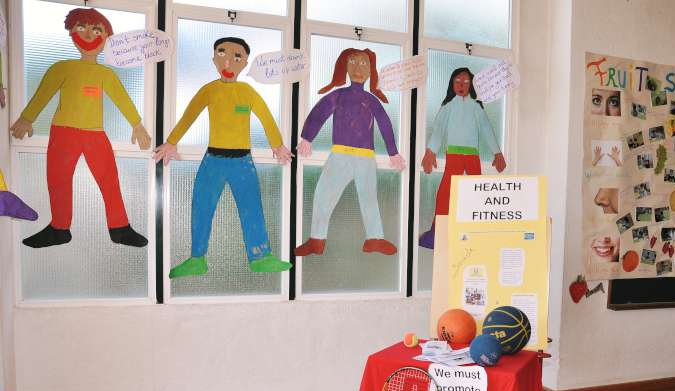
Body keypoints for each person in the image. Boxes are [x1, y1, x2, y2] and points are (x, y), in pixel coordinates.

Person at [11, 7, 151, 248]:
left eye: (96, 30)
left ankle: (120, 227)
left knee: (109, 179)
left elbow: (122, 99)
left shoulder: (106, 74)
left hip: (95, 134)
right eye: (82, 28)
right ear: (72, 32)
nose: (88, 34)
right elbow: (43, 94)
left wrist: (137, 125)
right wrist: (27, 118)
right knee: (58, 180)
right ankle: (59, 228)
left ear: (106, 37)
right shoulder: (62, 68)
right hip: (63, 132)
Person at [154, 37, 292, 278]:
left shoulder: (247, 92)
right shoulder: (209, 90)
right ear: (214, 59)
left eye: (237, 57)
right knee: (201, 205)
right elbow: (189, 116)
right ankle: (197, 258)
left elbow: (267, 118)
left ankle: (261, 256)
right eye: (222, 54)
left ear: (245, 63)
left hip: (242, 162)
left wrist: (278, 145)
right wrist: (171, 142)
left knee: (252, 208)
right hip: (213, 160)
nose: (228, 62)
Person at [295, 48, 405, 257]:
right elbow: (319, 113)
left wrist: (393, 152)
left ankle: (375, 238)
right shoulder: (338, 95)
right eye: (353, 62)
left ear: (371, 71)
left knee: (369, 197)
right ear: (344, 67)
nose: (358, 68)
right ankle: (316, 239)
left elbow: (384, 123)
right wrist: (307, 138)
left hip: (365, 157)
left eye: (364, 64)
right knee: (323, 194)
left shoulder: (371, 100)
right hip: (340, 155)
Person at [418, 67, 506, 249]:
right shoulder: (448, 106)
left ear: (471, 85)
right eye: (457, 81)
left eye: (466, 82)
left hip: (472, 155)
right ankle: (437, 232)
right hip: (454, 155)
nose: (461, 85)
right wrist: (430, 151)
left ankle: (479, 232)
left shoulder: (476, 107)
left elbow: (486, 129)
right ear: (452, 84)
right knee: (446, 192)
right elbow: (439, 129)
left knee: (478, 192)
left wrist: (497, 152)